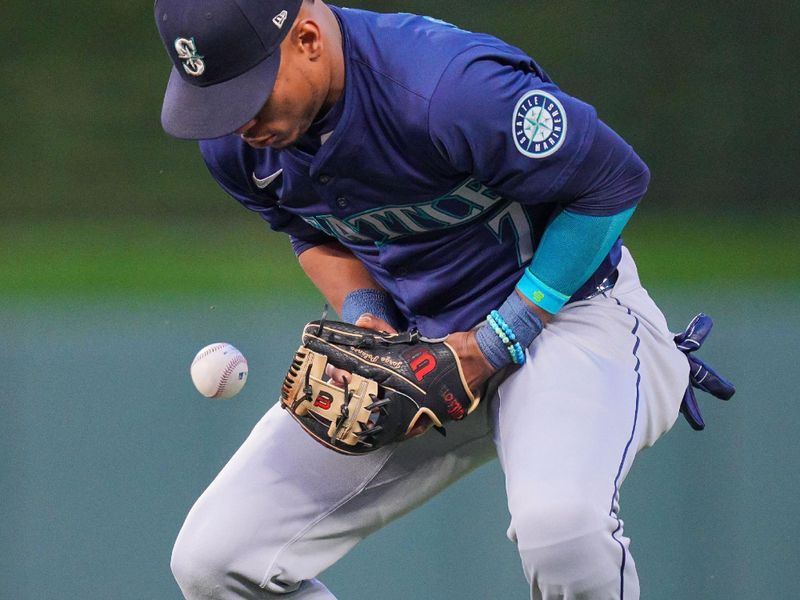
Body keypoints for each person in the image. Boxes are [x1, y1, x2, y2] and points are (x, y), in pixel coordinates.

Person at [155, 1, 733, 598]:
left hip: (567, 316)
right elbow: (308, 229)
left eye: (249, 94)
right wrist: (366, 312)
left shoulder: (447, 87)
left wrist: (500, 336)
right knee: (214, 559)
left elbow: (613, 182)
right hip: (417, 358)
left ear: (306, 39)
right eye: (218, 98)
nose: (238, 122)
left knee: (562, 527)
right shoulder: (239, 143)